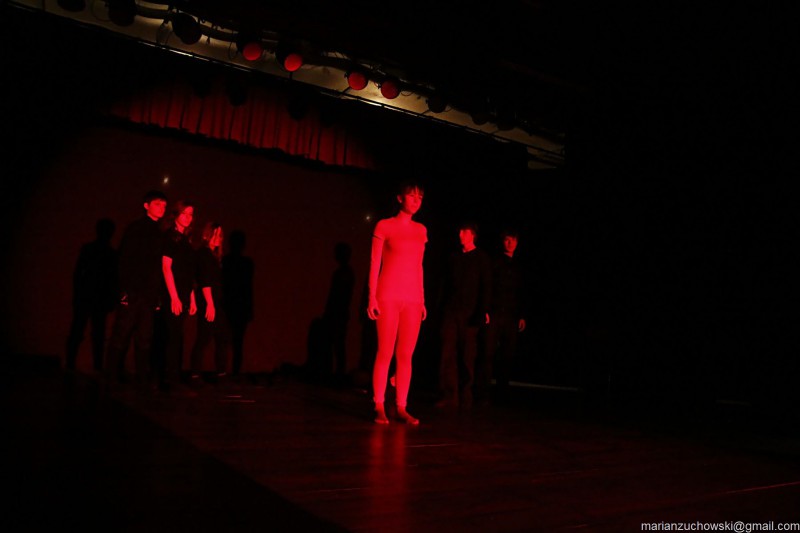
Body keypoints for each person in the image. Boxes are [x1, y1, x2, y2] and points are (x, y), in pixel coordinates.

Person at [367, 180, 427, 425]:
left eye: (420, 197)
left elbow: (419, 266)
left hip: (412, 298)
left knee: (405, 355)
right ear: (400, 198)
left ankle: (402, 406)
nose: (416, 200)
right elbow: (375, 263)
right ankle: (379, 404)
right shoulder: (385, 225)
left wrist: (422, 299)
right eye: (412, 196)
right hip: (388, 295)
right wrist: (371, 296)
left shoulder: (421, 230)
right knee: (385, 352)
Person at [104, 190, 167, 385]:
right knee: (122, 333)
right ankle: (111, 376)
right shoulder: (136, 228)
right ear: (146, 205)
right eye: (157, 204)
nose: (162, 208)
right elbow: (124, 260)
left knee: (144, 337)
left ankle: (141, 378)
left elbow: (157, 267)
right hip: (133, 292)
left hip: (148, 295)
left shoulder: (159, 232)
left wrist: (157, 295)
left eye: (164, 205)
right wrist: (124, 291)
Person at [436, 220, 492, 411]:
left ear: (473, 235)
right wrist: (441, 308)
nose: (461, 235)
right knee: (447, 354)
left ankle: (466, 396)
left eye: (465, 231)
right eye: (460, 231)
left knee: (467, 356)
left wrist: (481, 311)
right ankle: (449, 396)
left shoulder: (482, 258)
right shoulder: (453, 257)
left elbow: (486, 287)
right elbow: (445, 284)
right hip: (451, 311)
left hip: (470, 313)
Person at [477, 227, 528, 404]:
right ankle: (483, 393)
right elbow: (487, 287)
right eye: (507, 239)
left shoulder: (519, 266)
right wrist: (486, 310)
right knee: (487, 353)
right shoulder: (495, 262)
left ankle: (502, 393)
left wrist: (522, 315)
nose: (510, 243)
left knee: (507, 355)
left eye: (513, 240)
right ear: (502, 241)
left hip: (511, 315)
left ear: (517, 242)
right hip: (495, 313)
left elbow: (523, 291)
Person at [152, 199, 197, 392]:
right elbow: (166, 267)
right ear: (176, 215)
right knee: (171, 337)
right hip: (173, 295)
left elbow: (188, 272)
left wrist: (191, 297)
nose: (187, 217)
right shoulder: (170, 237)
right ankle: (168, 378)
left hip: (183, 294)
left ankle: (173, 377)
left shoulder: (186, 240)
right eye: (184, 213)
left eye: (190, 214)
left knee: (177, 336)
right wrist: (174, 296)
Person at [65, 217, 118, 373]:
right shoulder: (111, 253)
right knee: (97, 333)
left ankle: (71, 363)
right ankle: (97, 366)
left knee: (80, 330)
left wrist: (77, 294)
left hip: (87, 296)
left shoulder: (90, 249)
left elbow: (78, 274)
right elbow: (113, 279)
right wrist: (111, 299)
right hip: (98, 298)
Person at [189, 222, 231, 384]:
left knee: (221, 336)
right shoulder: (204, 254)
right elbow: (205, 281)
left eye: (220, 235)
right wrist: (210, 304)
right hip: (208, 301)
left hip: (215, 301)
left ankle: (220, 373)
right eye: (215, 234)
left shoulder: (214, 256)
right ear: (207, 235)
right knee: (204, 337)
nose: (218, 238)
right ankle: (195, 375)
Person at [222, 229, 254, 377]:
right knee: (237, 342)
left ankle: (225, 372)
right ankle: (233, 373)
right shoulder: (247, 264)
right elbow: (248, 288)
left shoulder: (226, 261)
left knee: (227, 341)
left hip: (230, 306)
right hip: (239, 307)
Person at [323, 242, 356, 382]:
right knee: (337, 344)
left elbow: (336, 295)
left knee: (336, 344)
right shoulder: (346, 273)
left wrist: (329, 312)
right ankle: (337, 374)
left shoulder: (343, 274)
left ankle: (336, 374)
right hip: (340, 313)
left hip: (337, 313)